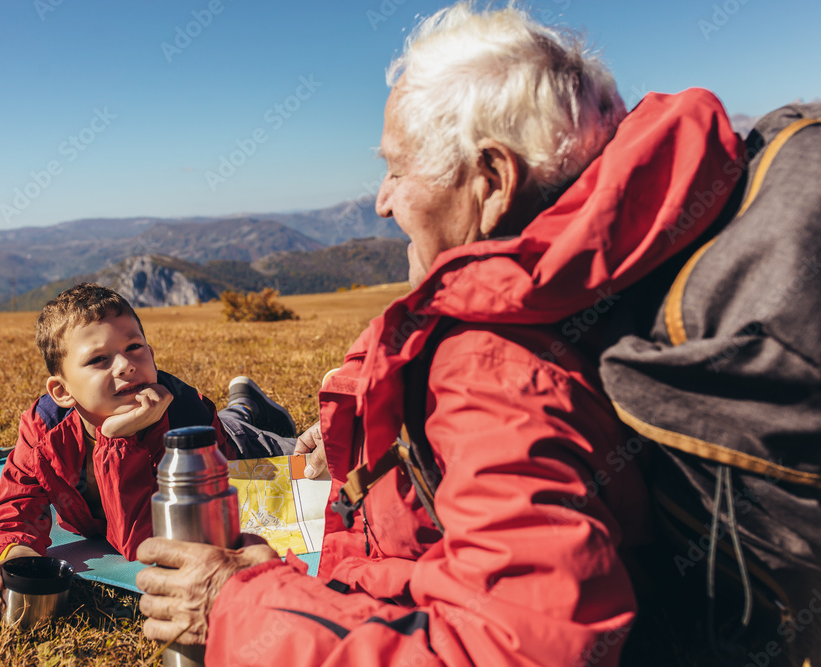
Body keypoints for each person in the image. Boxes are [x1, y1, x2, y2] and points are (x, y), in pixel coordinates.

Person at [135, 5, 745, 665]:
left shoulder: (487, 366)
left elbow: (518, 648)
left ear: (491, 180)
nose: (382, 200)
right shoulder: (599, 274)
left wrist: (239, 603)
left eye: (397, 168)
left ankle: (247, 413)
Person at [0, 282, 296, 618]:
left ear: (151, 355)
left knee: (296, 453)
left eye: (134, 347)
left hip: (239, 446)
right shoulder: (45, 431)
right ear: (62, 392)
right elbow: (15, 509)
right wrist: (15, 560)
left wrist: (120, 441)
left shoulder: (189, 420)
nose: (125, 365)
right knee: (237, 416)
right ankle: (244, 401)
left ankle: (248, 408)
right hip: (211, 428)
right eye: (99, 359)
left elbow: (146, 544)